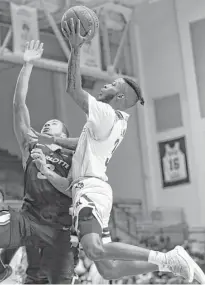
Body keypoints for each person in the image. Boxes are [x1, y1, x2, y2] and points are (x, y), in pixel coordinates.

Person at [52, 18, 204, 283]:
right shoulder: (113, 121)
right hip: (94, 189)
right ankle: (167, 265)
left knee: (94, 249)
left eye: (111, 85)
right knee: (108, 269)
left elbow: (73, 89)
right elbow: (82, 144)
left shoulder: (106, 113)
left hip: (89, 189)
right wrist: (52, 142)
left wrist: (76, 48)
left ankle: (167, 258)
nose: (104, 86)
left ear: (120, 97)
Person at [0, 40, 77, 284]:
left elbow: (70, 188)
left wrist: (47, 170)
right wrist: (27, 64)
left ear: (65, 135)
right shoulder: (32, 145)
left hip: (58, 229)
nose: (48, 123)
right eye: (46, 123)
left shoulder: (73, 155)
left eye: (55, 124)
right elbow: (19, 106)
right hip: (29, 219)